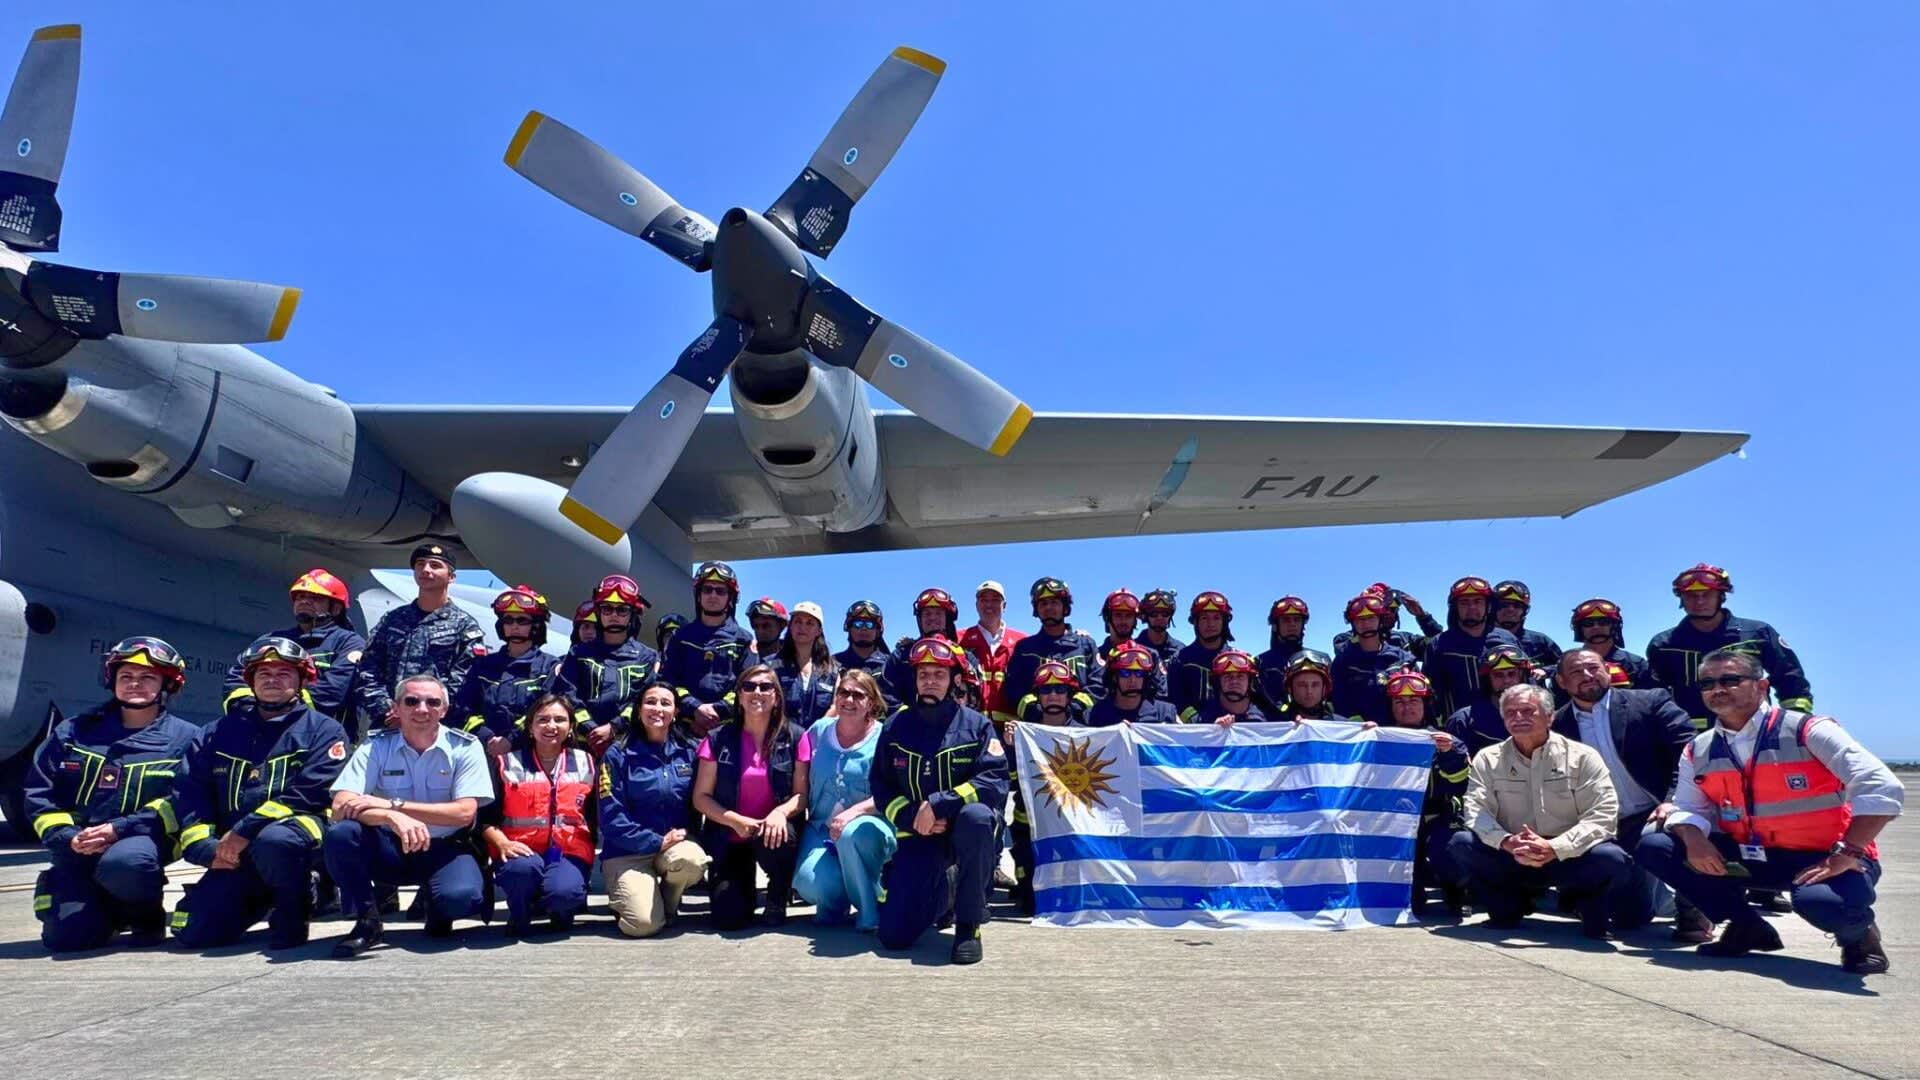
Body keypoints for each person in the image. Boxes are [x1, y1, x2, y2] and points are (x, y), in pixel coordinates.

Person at [1634, 649, 1901, 974]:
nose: (1718, 689)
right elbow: (1688, 807)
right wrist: (1693, 838)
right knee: (1656, 845)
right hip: (1754, 857)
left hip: (1826, 858)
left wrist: (1850, 850)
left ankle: (1859, 937)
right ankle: (1746, 925)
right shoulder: (1699, 748)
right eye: (1708, 683)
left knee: (1825, 904)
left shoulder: (1807, 730)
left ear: (1762, 687)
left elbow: (1881, 785)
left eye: (1731, 680)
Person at [164, 638, 349, 950]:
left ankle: (301, 899)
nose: (272, 680)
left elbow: (307, 793)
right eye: (263, 674)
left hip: (291, 843)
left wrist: (243, 831)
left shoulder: (324, 731)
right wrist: (203, 847)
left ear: (303, 680)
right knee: (195, 931)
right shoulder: (216, 733)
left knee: (275, 841)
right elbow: (190, 790)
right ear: (249, 682)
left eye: (283, 673)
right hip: (233, 852)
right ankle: (259, 894)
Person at [26, 637, 201, 951]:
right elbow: (40, 792)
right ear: (112, 681)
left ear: (168, 685)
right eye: (126, 677)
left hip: (140, 841)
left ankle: (144, 914)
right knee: (67, 940)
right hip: (77, 844)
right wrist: (66, 837)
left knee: (127, 863)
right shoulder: (73, 732)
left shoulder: (187, 739)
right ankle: (104, 909)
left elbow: (183, 799)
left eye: (147, 677)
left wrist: (118, 830)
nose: (135, 684)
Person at [325, 673, 493, 957]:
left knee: (460, 899)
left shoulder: (465, 747)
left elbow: (464, 813)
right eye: (412, 701)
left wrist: (394, 806)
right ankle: (368, 921)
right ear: (396, 707)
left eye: (432, 702)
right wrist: (391, 818)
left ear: (444, 709)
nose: (422, 709)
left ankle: (436, 906)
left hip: (444, 849)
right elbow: (342, 805)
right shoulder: (376, 745)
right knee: (341, 834)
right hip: (390, 848)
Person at [1448, 684, 1631, 939]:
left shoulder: (1583, 757)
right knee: (1461, 843)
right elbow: (1476, 811)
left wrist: (1555, 848)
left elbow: (1603, 815)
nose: (1518, 718)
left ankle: (1581, 902)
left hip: (1568, 855)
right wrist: (1506, 842)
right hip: (1512, 853)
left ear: (1550, 716)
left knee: (1612, 858)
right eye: (1510, 712)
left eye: (1527, 711)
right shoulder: (1487, 758)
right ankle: (1510, 905)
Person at [1549, 650, 1709, 938]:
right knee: (1630, 917)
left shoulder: (1650, 702)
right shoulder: (1557, 726)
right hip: (1605, 826)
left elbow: (1691, 752)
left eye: (1593, 668)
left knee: (1667, 838)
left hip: (1656, 813)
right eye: (1576, 672)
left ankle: (1694, 911)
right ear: (1561, 682)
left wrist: (1672, 801)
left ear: (1606, 670)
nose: (1587, 676)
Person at [871, 637, 1009, 964]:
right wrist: (910, 816)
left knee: (977, 818)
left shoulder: (977, 726)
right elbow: (880, 784)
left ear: (953, 680)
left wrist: (939, 804)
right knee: (894, 937)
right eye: (923, 674)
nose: (930, 681)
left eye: (939, 674)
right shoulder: (895, 727)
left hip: (965, 833)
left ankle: (968, 924)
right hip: (918, 834)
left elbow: (994, 781)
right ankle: (945, 891)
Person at [691, 664, 808, 929]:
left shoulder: (796, 736)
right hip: (730, 835)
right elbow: (701, 797)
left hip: (773, 834)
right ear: (739, 695)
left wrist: (779, 813)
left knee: (781, 835)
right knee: (729, 918)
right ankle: (741, 888)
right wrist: (734, 820)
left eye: (766, 687)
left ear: (776, 697)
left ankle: (778, 893)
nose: (757, 692)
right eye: (749, 686)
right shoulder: (717, 738)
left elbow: (802, 796)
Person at [599, 682, 710, 938]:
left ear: (675, 712)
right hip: (627, 853)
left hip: (673, 846)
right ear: (638, 710)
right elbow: (611, 816)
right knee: (642, 925)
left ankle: (668, 904)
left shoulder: (691, 752)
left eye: (665, 703)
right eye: (650, 702)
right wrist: (655, 841)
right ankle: (629, 898)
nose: (657, 708)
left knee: (692, 860)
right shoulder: (616, 754)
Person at [480, 694, 595, 936]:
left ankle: (554, 905)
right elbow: (484, 819)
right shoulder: (506, 764)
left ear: (571, 727)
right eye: (542, 720)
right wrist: (501, 842)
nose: (551, 726)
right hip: (518, 849)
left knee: (564, 894)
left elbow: (595, 816)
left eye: (559, 720)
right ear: (530, 727)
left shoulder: (587, 762)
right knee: (522, 871)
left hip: (569, 851)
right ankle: (520, 914)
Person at [1646, 563, 1812, 730]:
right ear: (1681, 599)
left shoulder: (1758, 634)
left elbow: (1790, 680)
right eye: (1691, 596)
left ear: (1721, 596)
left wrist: (1797, 725)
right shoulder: (1663, 645)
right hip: (1690, 738)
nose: (1699, 601)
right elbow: (1654, 698)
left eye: (1707, 594)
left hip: (1756, 732)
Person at [792, 669, 895, 931]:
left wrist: (855, 812)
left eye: (858, 695)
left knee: (851, 835)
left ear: (871, 702)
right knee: (807, 882)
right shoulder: (817, 731)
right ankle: (837, 904)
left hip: (870, 826)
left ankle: (869, 910)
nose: (849, 700)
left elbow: (893, 791)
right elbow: (800, 781)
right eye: (843, 693)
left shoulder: (885, 738)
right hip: (821, 828)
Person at [352, 544, 487, 730]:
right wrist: (386, 709)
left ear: (451, 577)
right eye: (420, 564)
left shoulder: (464, 626)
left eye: (435, 565)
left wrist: (424, 713)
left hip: (437, 728)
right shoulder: (392, 620)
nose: (426, 569)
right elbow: (368, 667)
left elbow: (466, 680)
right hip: (389, 724)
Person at [223, 568, 367, 734]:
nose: (304, 601)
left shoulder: (349, 643)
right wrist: (250, 709)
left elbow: (331, 693)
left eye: (315, 598)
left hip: (319, 738)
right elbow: (235, 680)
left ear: (335, 608)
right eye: (300, 597)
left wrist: (277, 711)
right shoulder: (271, 640)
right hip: (261, 737)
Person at [1383, 670, 1470, 915]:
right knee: (1413, 903)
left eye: (1413, 701)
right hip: (1395, 821)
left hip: (1437, 818)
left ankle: (1457, 889)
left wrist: (1449, 756)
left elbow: (1461, 785)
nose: (1406, 707)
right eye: (1399, 701)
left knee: (1453, 847)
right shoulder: (1379, 740)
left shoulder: (1448, 742)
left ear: (1426, 704)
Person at [1006, 660, 1087, 914]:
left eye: (1060, 690)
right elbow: (1006, 780)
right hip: (1029, 823)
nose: (1053, 696)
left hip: (1072, 823)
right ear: (1037, 697)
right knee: (1031, 905)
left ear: (1070, 696)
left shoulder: (1088, 735)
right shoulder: (1020, 734)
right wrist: (1011, 747)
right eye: (1046, 690)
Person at [554, 574, 660, 753]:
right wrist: (589, 727)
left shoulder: (647, 657)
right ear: (598, 613)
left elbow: (643, 700)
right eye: (607, 609)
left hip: (628, 748)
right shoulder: (578, 653)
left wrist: (613, 728)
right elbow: (566, 693)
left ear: (632, 614)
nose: (614, 615)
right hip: (581, 748)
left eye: (622, 610)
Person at [453, 585, 561, 754]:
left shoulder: (549, 667)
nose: (514, 626)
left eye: (522, 620)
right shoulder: (482, 666)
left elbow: (547, 711)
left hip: (531, 755)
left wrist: (511, 740)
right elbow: (463, 708)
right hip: (483, 752)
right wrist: (486, 737)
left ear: (536, 626)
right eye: (508, 620)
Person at [663, 561, 759, 740]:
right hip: (684, 731)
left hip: (729, 731)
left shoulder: (744, 640)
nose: (713, 595)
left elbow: (748, 684)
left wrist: (717, 710)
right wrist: (695, 708)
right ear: (698, 595)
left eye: (720, 591)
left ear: (730, 598)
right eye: (707, 589)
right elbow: (669, 680)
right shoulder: (680, 637)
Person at [1424, 577, 1520, 718]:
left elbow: (1525, 685)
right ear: (1455, 608)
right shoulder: (1440, 644)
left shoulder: (1508, 640)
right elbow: (1430, 695)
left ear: (1488, 606)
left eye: (1478, 601)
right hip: (1459, 728)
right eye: (1464, 603)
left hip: (1506, 726)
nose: (1472, 607)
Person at [1002, 578, 1097, 712]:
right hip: (1037, 728)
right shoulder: (1025, 649)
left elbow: (1099, 685)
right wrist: (1035, 711)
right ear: (1036, 609)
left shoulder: (1085, 645)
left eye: (1054, 602)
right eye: (1043, 603)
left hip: (1080, 728)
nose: (1049, 608)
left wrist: (1074, 709)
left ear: (1065, 607)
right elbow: (1013, 689)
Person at [1329, 592, 1415, 725]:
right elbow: (1339, 707)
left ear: (1380, 620)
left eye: (1371, 618)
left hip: (1400, 735)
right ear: (1353, 624)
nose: (1366, 624)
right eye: (1360, 619)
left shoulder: (1402, 659)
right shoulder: (1343, 663)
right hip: (1362, 738)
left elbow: (1420, 704)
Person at [1444, 644, 1537, 757]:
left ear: (1523, 676)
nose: (1506, 680)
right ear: (1487, 681)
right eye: (1498, 675)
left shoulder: (1543, 717)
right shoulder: (1463, 721)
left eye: (1512, 673)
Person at [960, 580, 1026, 725]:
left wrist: (1073, 634)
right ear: (977, 605)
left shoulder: (1023, 641)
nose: (989, 605)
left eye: (995, 600)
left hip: (1012, 731)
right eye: (984, 600)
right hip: (971, 726)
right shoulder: (959, 639)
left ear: (1005, 606)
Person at [886, 588, 967, 704]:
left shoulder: (962, 656)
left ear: (947, 619)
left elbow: (974, 699)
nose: (932, 618)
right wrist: (907, 718)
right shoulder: (901, 656)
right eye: (927, 614)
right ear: (920, 619)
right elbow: (886, 695)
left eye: (938, 613)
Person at [1087, 589, 1168, 701]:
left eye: (1128, 616)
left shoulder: (1150, 655)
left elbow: (1161, 695)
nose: (1123, 621)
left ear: (1135, 620)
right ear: (1107, 618)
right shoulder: (1095, 655)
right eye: (1118, 615)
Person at [1332, 582, 1443, 660]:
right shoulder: (1343, 640)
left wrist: (1422, 616)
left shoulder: (1405, 641)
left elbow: (1441, 645)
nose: (1389, 614)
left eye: (1393, 610)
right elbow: (1346, 653)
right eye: (1385, 610)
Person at [771, 601, 839, 727]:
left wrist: (812, 735)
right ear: (790, 627)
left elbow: (836, 707)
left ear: (818, 631)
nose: (802, 627)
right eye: (798, 621)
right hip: (783, 740)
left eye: (809, 623)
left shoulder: (833, 670)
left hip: (819, 740)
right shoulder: (773, 667)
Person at [1565, 598, 1653, 692]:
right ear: (1579, 629)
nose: (1596, 627)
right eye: (1588, 623)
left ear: (1615, 626)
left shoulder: (1636, 665)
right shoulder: (1566, 666)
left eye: (1604, 622)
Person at [1086, 641, 1179, 726]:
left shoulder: (1166, 713)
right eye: (1125, 673)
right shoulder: (1094, 715)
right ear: (1114, 677)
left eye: (1139, 673)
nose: (1133, 679)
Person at [1170, 591, 1234, 714]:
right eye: (1204, 618)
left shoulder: (1237, 660)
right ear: (1195, 622)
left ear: (1224, 622)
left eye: (1216, 618)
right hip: (1193, 730)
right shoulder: (1180, 660)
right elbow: (1175, 702)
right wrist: (1199, 723)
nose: (1210, 624)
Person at [1181, 649, 1271, 726]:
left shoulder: (1266, 721)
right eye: (1228, 677)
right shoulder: (1198, 721)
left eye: (1240, 676)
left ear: (1250, 682)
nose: (1234, 681)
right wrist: (1211, 731)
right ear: (1217, 683)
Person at [835, 600, 897, 710]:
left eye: (869, 624)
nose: (863, 628)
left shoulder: (891, 665)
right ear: (849, 628)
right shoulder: (834, 664)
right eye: (858, 624)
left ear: (878, 630)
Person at [1492, 580, 1564, 669]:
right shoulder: (1481, 639)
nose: (1510, 609)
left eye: (1517, 606)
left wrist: (1545, 670)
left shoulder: (1540, 641)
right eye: (1504, 605)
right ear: (1493, 609)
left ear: (1524, 611)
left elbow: (1565, 666)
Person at [1256, 596, 1311, 709]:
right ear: (1275, 626)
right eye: (1286, 620)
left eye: (1297, 619)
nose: (1292, 624)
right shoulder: (1259, 663)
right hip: (1271, 725)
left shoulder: (1320, 661)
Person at [1270, 650, 1348, 724]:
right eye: (1302, 685)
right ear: (1290, 688)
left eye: (1315, 685)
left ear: (1324, 688)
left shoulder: (1344, 727)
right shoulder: (1273, 728)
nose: (1309, 691)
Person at [1136, 589, 1185, 670]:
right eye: (1154, 613)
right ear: (1146, 616)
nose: (1160, 617)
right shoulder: (1134, 648)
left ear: (1170, 616)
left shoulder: (1181, 650)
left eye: (1165, 613)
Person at [746, 597, 790, 663]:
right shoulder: (745, 657)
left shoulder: (794, 658)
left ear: (782, 625)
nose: (760, 631)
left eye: (766, 626)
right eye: (756, 626)